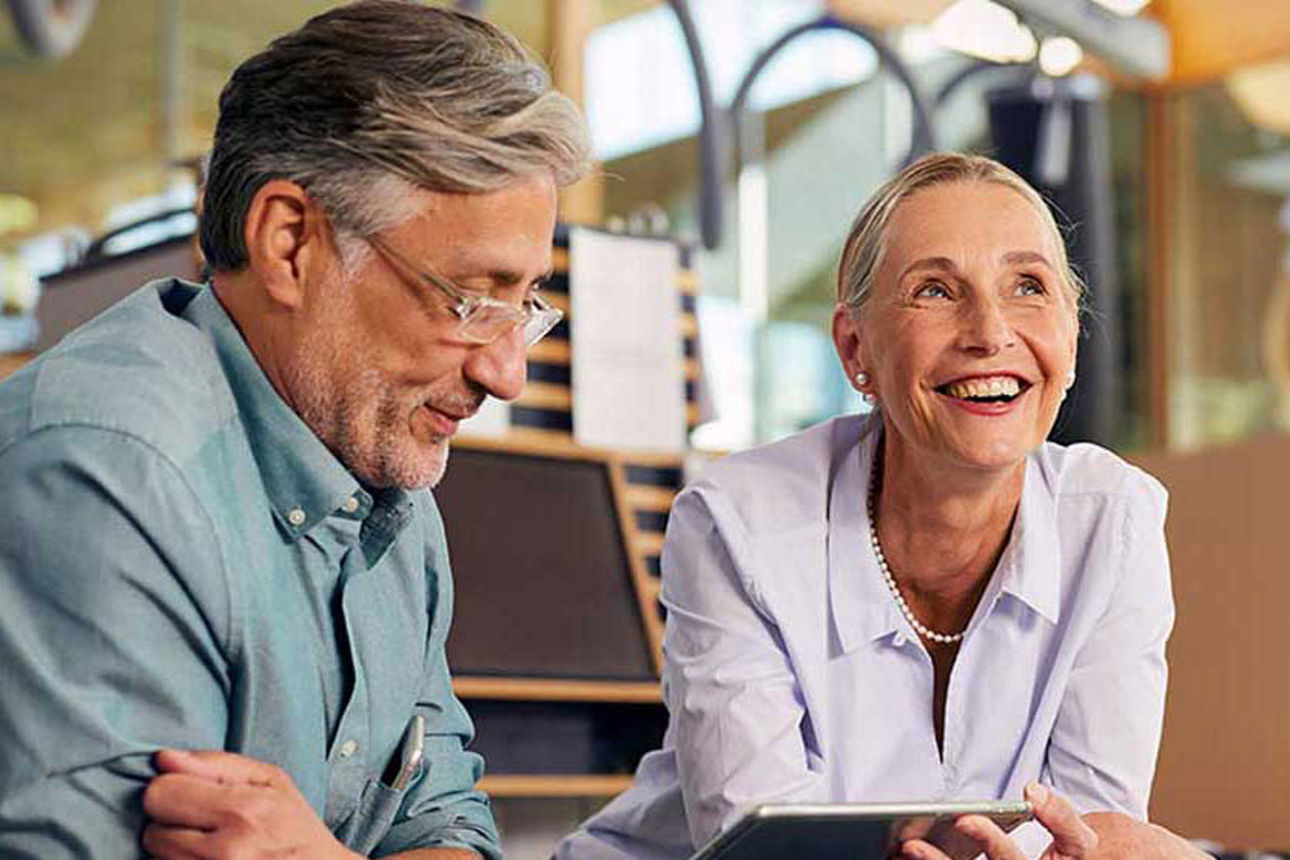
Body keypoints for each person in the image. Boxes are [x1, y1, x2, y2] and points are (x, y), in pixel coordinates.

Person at [0, 2, 588, 858]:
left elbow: (449, 821)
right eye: (469, 301)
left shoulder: (383, 480)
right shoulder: (102, 476)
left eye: (523, 306)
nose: (507, 371)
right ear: (289, 243)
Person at [556, 153, 1198, 860]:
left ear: (1070, 341)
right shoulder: (736, 522)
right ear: (855, 349)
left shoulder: (1115, 522)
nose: (989, 331)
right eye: (935, 290)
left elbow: (1089, 837)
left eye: (1027, 286)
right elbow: (762, 855)